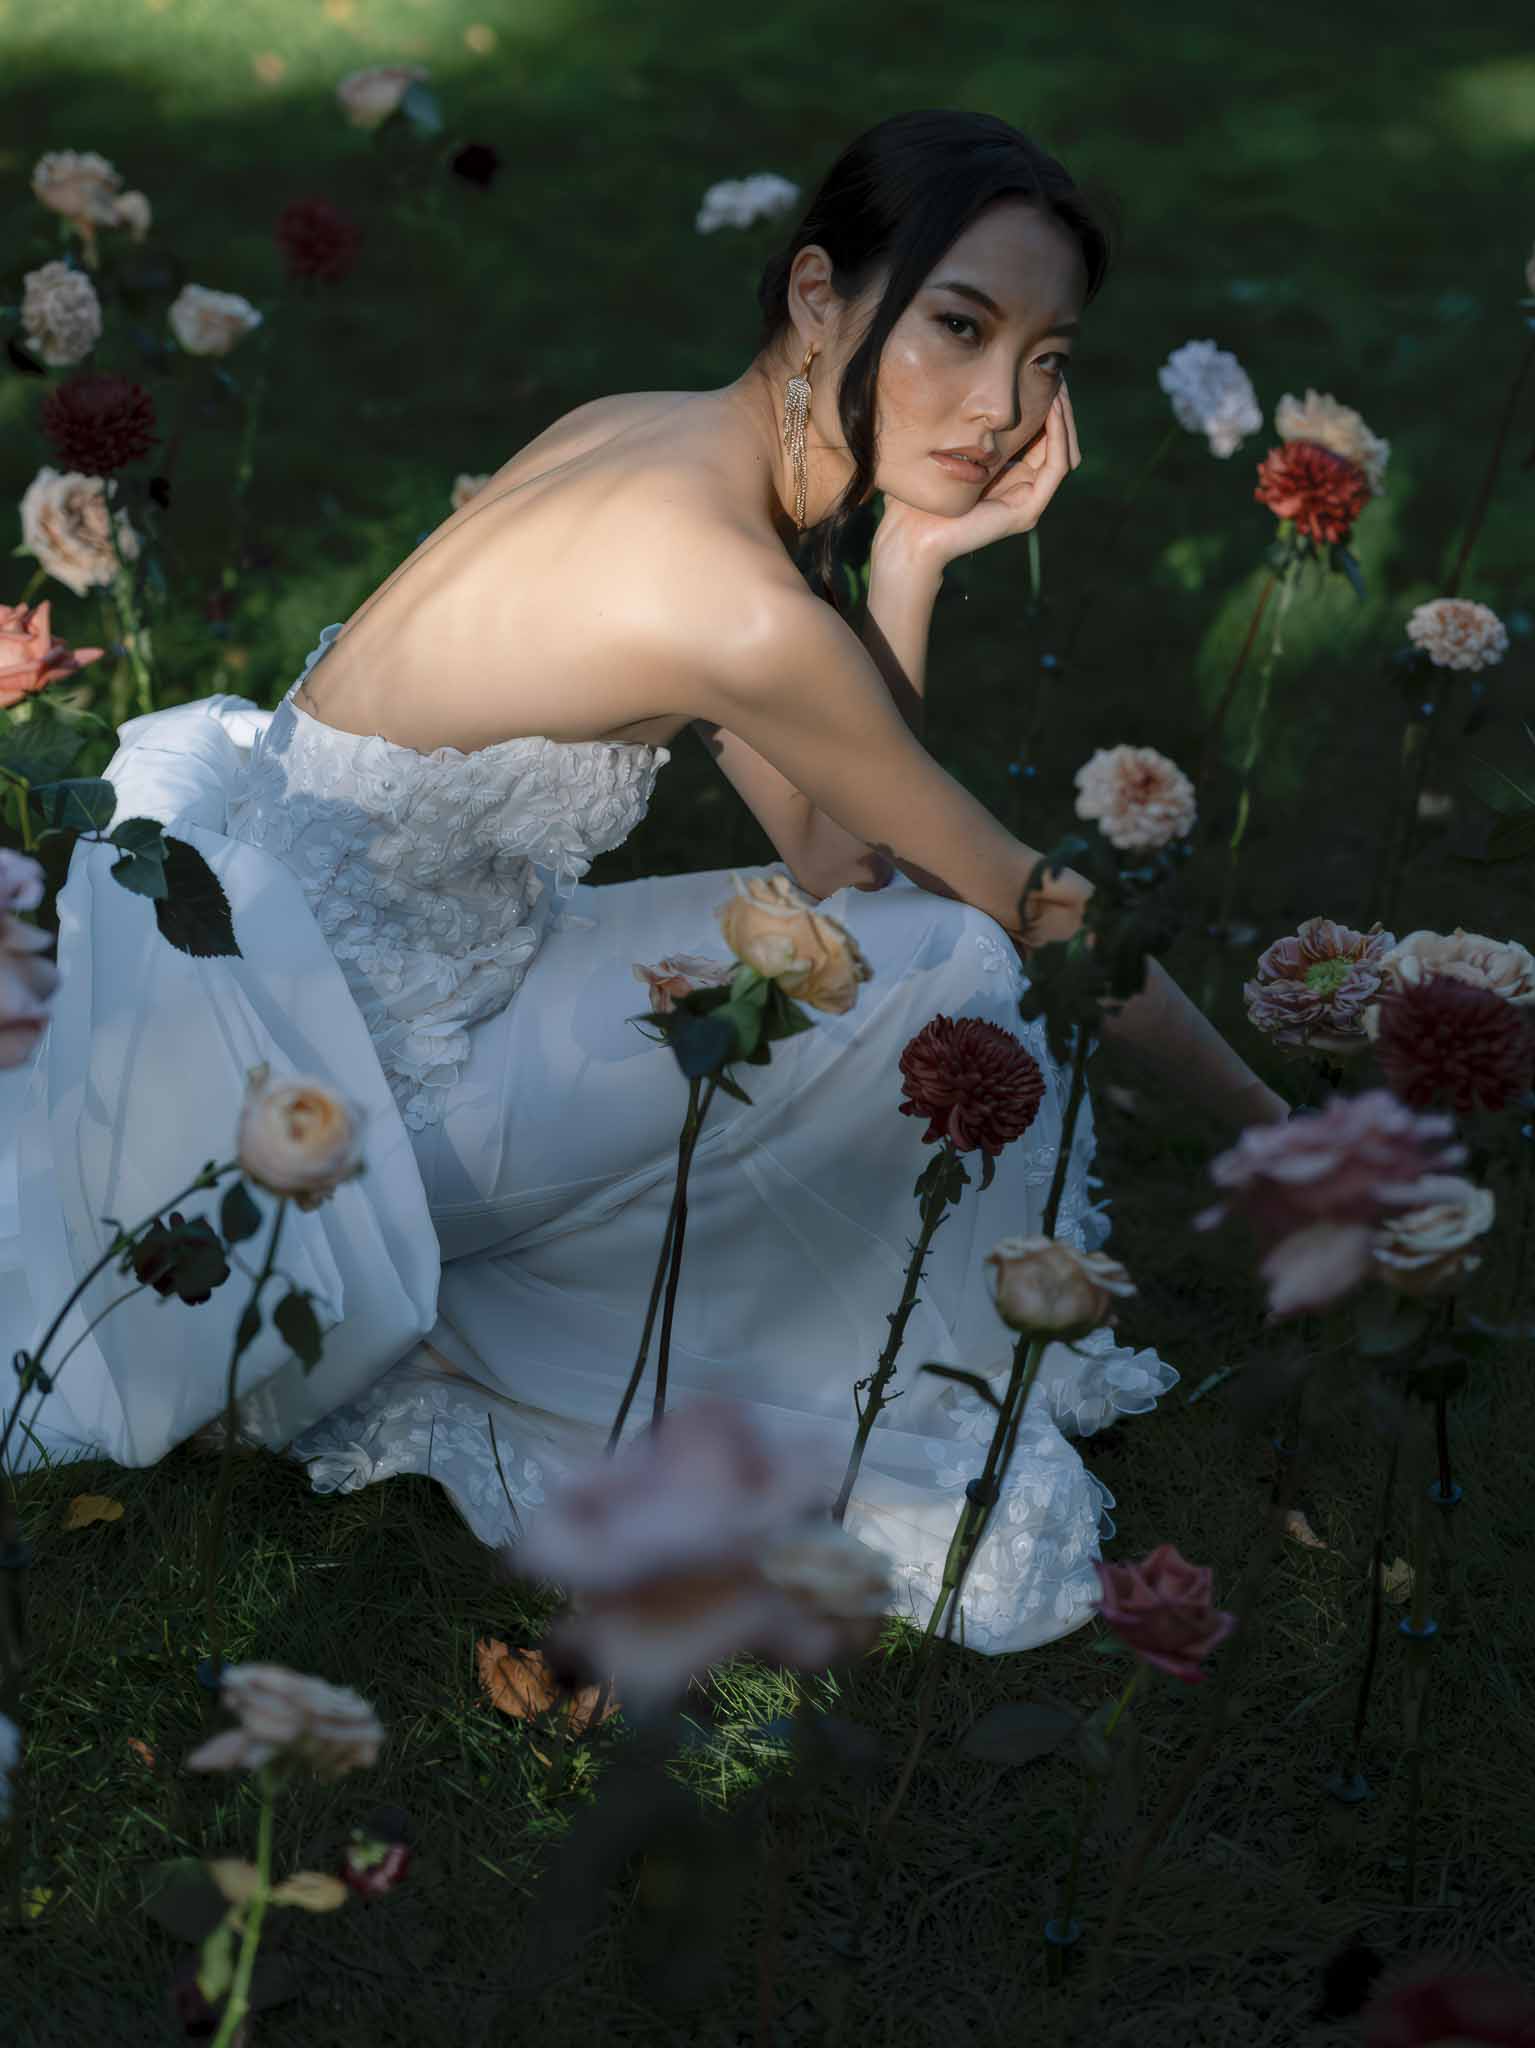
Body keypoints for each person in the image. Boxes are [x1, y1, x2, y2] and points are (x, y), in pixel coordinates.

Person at [0, 110, 1286, 1654]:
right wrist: (1289, 1139)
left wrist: (908, 563)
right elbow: (1016, 900)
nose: (1007, 407)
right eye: (960, 325)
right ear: (819, 295)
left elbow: (824, 847)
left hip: (269, 1013)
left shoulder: (644, 428)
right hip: (333, 1133)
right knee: (960, 964)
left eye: (1052, 356)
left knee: (871, 938)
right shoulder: (730, 604)